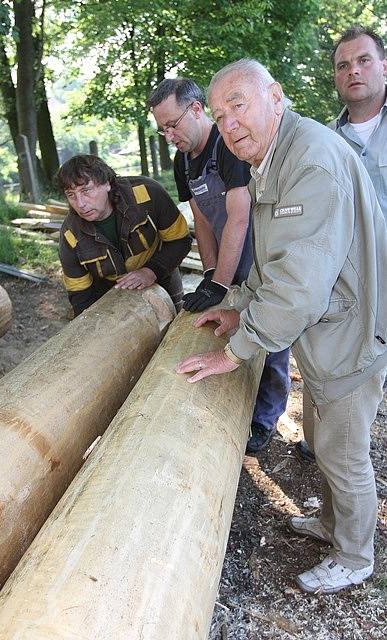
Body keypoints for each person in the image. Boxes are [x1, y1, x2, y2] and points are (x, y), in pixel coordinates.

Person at [176, 59, 387, 594]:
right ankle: (334, 524)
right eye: (220, 116)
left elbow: (297, 288)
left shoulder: (309, 160)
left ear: (276, 95)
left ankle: (356, 555)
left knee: (343, 454)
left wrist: (237, 349)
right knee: (320, 438)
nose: (229, 125)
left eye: (239, 105)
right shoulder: (277, 154)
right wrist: (238, 305)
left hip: (350, 335)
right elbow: (275, 265)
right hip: (327, 332)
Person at [148, 78, 290, 453]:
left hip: (257, 256)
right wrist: (211, 276)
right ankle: (233, 402)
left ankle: (265, 418)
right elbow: (203, 221)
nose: (169, 134)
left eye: (173, 124)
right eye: (162, 128)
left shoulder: (226, 146)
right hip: (226, 261)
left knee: (269, 337)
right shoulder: (183, 163)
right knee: (225, 326)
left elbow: (239, 218)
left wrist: (222, 282)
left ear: (196, 110)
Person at [297, 25, 387, 463]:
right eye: (343, 65)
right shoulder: (325, 143)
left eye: (364, 60)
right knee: (341, 411)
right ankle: (334, 513)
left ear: (384, 66)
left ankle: (352, 525)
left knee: (351, 431)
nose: (354, 71)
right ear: (335, 78)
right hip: (348, 296)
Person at [57, 154, 191, 317]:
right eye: (71, 195)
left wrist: (151, 271)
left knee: (174, 328)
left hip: (162, 274)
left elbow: (180, 240)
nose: (80, 204)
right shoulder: (70, 234)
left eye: (86, 190)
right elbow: (80, 295)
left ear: (106, 183)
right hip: (109, 293)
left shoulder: (147, 193)